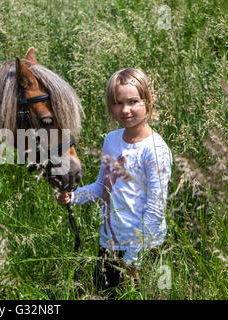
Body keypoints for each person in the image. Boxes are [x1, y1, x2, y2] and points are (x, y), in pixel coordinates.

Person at [56, 67, 172, 296]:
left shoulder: (155, 150)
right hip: (109, 243)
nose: (125, 110)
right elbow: (103, 186)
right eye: (118, 103)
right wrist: (74, 197)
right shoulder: (111, 140)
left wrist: (133, 259)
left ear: (148, 101)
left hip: (143, 249)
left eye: (133, 101)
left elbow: (156, 209)